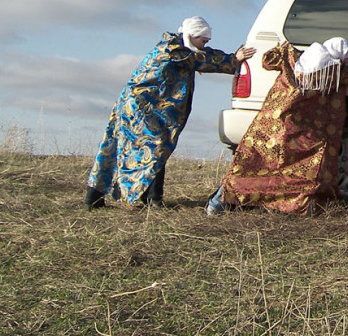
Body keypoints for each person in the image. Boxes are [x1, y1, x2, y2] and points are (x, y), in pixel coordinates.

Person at [206, 37, 348, 216]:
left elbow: (268, 61)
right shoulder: (333, 73)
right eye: (346, 58)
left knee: (251, 166)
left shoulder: (294, 60)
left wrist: (281, 48)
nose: (347, 61)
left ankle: (219, 202)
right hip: (299, 132)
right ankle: (299, 205)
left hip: (269, 126)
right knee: (304, 171)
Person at [85, 17, 255, 208]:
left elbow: (204, 54)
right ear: (191, 35)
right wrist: (233, 60)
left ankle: (110, 198)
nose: (205, 44)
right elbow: (198, 60)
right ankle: (149, 199)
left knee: (124, 148)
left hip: (144, 107)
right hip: (141, 108)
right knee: (155, 147)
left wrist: (232, 57)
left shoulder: (180, 46)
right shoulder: (172, 49)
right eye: (203, 40)